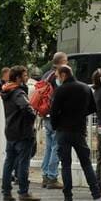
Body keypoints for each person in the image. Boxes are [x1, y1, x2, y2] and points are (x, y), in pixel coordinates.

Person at [50, 64, 101, 201]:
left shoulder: (60, 91)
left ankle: (68, 197)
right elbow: (93, 107)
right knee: (86, 163)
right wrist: (80, 115)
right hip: (79, 130)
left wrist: (56, 126)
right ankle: (96, 193)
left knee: (65, 164)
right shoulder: (85, 88)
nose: (57, 79)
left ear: (63, 75)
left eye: (57, 76)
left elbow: (53, 112)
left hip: (63, 131)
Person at [0, 66, 41, 201]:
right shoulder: (18, 93)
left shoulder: (6, 91)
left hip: (10, 130)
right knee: (23, 162)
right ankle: (23, 192)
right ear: (17, 78)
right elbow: (26, 108)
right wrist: (31, 119)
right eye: (24, 76)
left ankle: (6, 192)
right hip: (22, 132)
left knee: (9, 162)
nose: (26, 78)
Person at [39, 52, 67, 189]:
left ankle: (45, 174)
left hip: (45, 114)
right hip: (55, 115)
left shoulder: (46, 75)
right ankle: (52, 176)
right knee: (56, 146)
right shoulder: (57, 76)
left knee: (49, 146)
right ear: (61, 62)